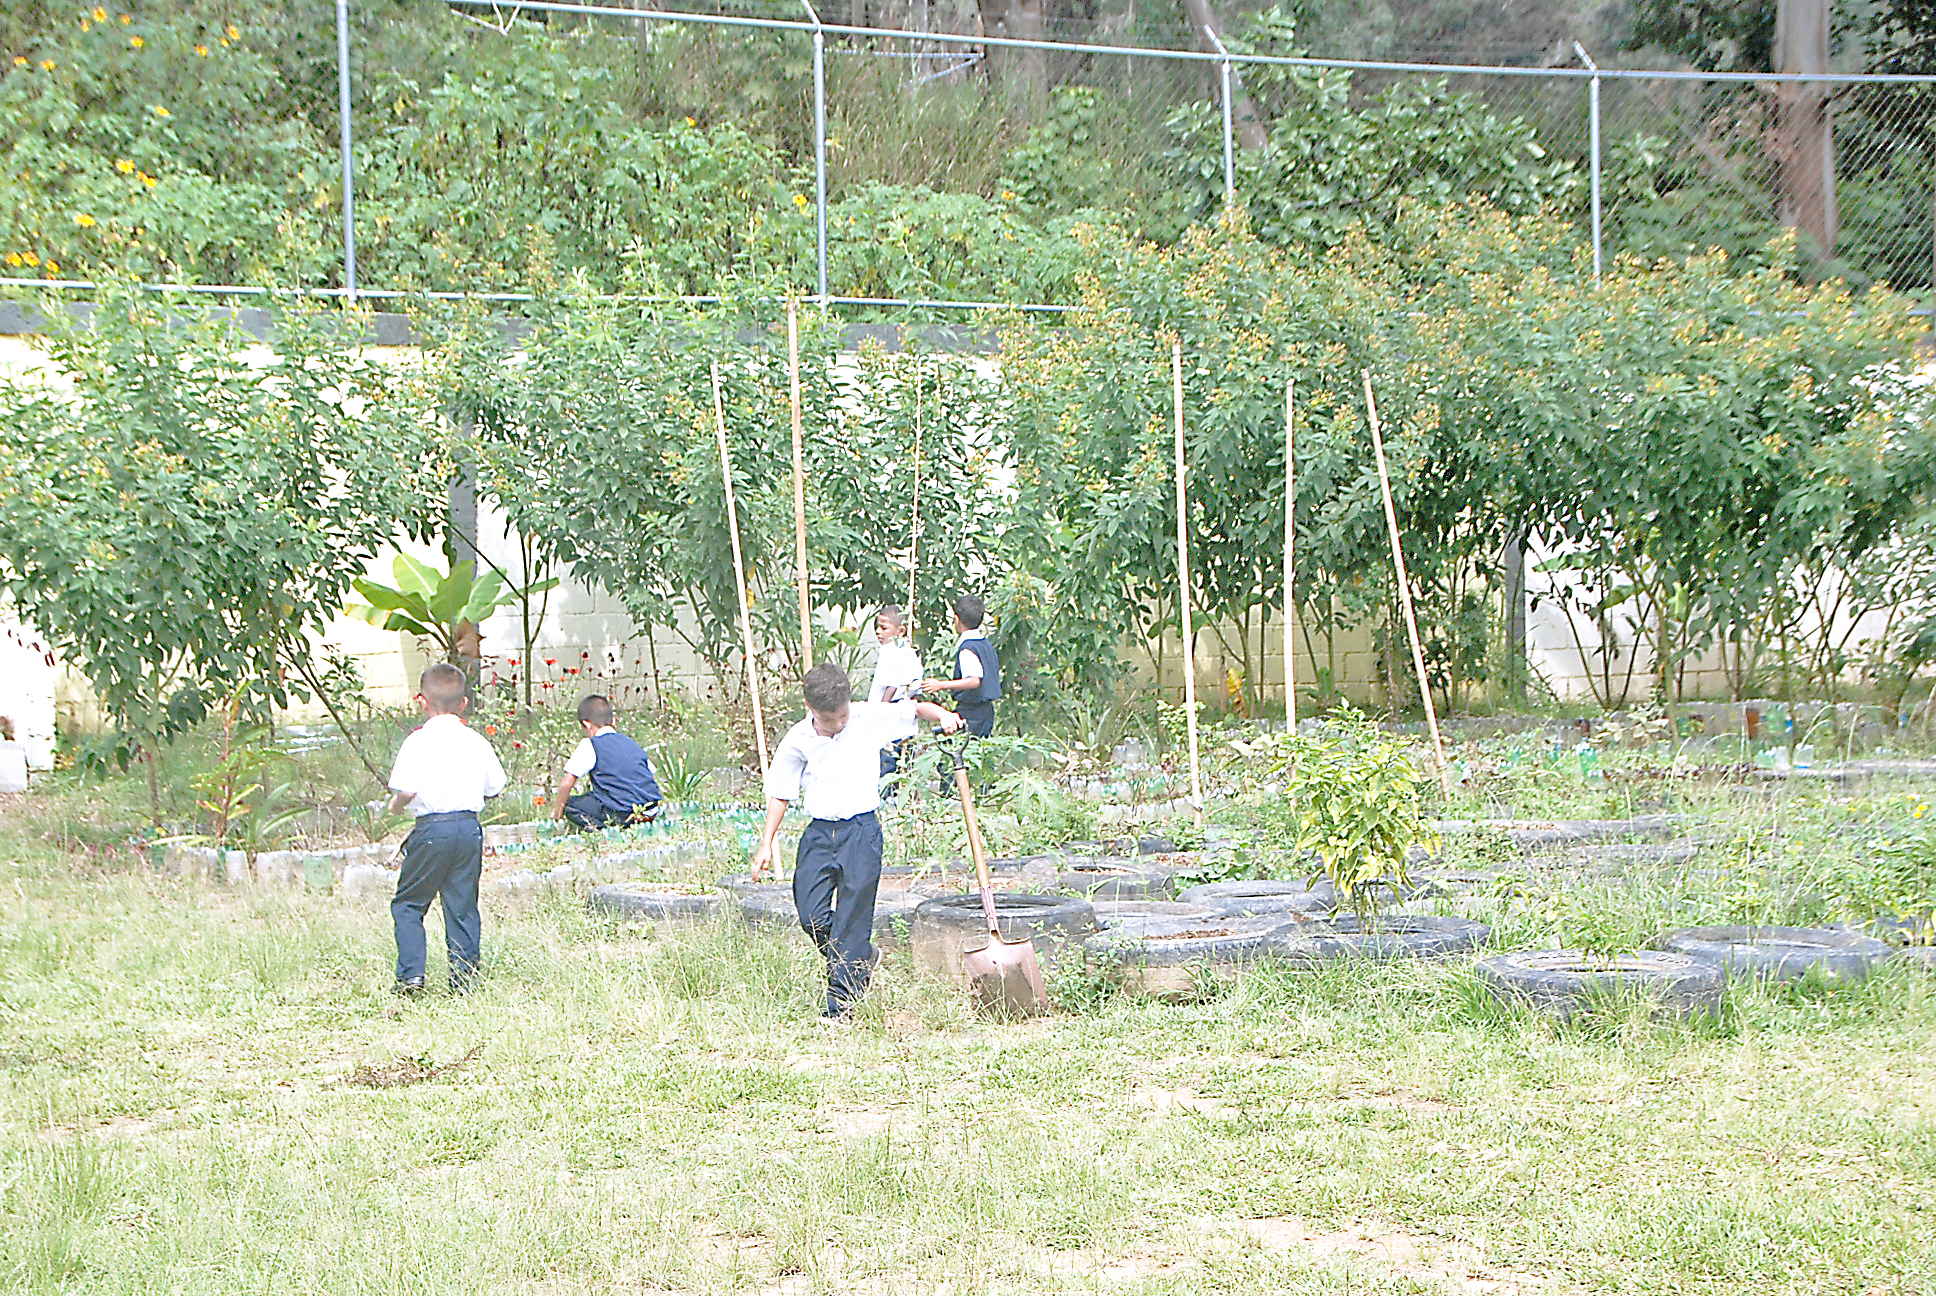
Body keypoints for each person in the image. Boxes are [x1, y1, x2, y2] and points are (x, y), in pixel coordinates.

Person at [750, 662, 963, 1019]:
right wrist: (766, 843)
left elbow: (915, 708)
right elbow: (781, 793)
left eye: (842, 715)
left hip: (861, 833)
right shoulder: (797, 739)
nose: (838, 724)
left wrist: (942, 715)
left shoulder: (866, 718)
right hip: (819, 834)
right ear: (810, 707)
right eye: (829, 719)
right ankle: (861, 957)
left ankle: (840, 1009)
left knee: (851, 918)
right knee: (812, 915)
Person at [384, 663, 505, 997]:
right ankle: (464, 981)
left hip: (431, 830)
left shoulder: (416, 742)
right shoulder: (476, 741)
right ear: (464, 703)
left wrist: (395, 808)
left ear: (421, 701)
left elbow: (406, 791)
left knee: (408, 904)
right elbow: (494, 787)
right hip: (468, 829)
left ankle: (411, 976)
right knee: (462, 903)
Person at [551, 694, 663, 829]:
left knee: (571, 805)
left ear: (587, 725)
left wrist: (557, 812)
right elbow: (650, 773)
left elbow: (567, 784)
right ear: (614, 721)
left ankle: (605, 830)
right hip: (650, 811)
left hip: (623, 812)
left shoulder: (591, 744)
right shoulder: (630, 743)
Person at [921, 593, 1002, 737]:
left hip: (971, 712)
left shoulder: (968, 648)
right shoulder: (985, 644)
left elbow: (974, 680)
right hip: (985, 711)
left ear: (956, 619)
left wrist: (940, 685)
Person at [867, 604, 924, 781]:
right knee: (901, 756)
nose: (878, 632)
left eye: (884, 628)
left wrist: (881, 711)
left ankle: (885, 795)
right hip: (904, 710)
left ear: (900, 630)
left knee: (886, 757)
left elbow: (890, 686)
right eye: (877, 627)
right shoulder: (910, 652)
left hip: (888, 709)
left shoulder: (889, 651)